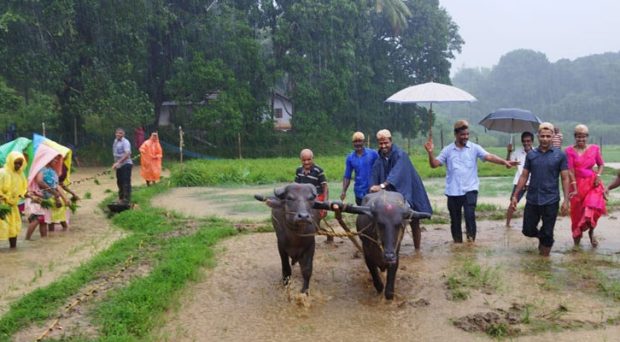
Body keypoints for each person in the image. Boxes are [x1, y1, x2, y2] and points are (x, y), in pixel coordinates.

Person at [424, 120, 517, 243]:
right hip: (453, 191)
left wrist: (504, 162)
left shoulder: (474, 148)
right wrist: (430, 153)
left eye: (467, 134)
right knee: (455, 220)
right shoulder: (447, 150)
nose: (465, 137)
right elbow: (434, 164)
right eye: (463, 134)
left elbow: (489, 156)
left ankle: (471, 243)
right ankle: (457, 244)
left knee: (470, 217)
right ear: (456, 135)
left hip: (470, 190)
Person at [511, 122, 570, 256]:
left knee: (548, 232)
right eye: (542, 136)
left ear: (552, 136)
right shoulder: (531, 155)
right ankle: (543, 237)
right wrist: (515, 195)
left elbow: (565, 178)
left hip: (551, 199)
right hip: (533, 199)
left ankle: (544, 262)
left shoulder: (559, 155)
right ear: (538, 136)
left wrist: (566, 200)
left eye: (548, 136)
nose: (545, 139)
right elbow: (524, 175)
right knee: (527, 230)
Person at [369, 129, 432, 250]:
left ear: (391, 141)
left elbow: (396, 174)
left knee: (413, 220)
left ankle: (417, 249)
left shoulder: (401, 155)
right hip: (389, 193)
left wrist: (382, 186)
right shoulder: (379, 159)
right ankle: (387, 247)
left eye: (386, 143)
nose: (383, 146)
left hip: (407, 189)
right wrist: (372, 188)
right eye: (380, 143)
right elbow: (374, 175)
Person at [565, 124, 606, 247]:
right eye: (578, 137)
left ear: (587, 137)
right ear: (575, 137)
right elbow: (570, 170)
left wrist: (598, 176)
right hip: (576, 185)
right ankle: (576, 243)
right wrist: (573, 185)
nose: (581, 139)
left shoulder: (595, 149)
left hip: (592, 184)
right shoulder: (569, 151)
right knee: (577, 214)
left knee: (592, 209)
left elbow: (601, 164)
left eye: (583, 137)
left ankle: (591, 233)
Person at [295, 149, 330, 241]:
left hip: (316, 197)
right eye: (304, 160)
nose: (306, 162)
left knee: (315, 222)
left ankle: (326, 234)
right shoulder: (299, 170)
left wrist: (325, 203)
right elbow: (296, 186)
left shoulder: (318, 170)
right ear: (300, 160)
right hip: (303, 198)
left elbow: (325, 187)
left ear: (313, 159)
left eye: (309, 159)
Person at [505, 132, 534, 227]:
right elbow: (508, 166)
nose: (526, 143)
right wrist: (509, 152)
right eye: (524, 141)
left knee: (535, 205)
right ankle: (507, 224)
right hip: (519, 182)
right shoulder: (517, 152)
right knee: (512, 204)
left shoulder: (536, 152)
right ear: (522, 142)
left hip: (533, 182)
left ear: (532, 142)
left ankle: (533, 224)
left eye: (528, 141)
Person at [341, 132, 379, 205]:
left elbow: (380, 168)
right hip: (359, 191)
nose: (358, 143)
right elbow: (347, 176)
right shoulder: (350, 158)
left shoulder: (373, 154)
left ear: (364, 142)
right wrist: (344, 191)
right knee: (362, 213)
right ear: (353, 143)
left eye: (360, 141)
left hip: (373, 191)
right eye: (355, 141)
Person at [0, 151, 28, 248]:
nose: (17, 165)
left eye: (20, 163)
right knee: (1, 226)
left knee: (14, 227)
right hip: (2, 204)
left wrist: (26, 194)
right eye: (15, 163)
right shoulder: (2, 172)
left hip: (13, 205)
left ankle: (13, 248)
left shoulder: (20, 174)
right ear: (10, 161)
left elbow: (23, 189)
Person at [112, 128, 133, 204]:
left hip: (126, 164)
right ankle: (121, 198)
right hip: (119, 165)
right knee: (119, 182)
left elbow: (127, 154)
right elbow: (116, 154)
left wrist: (118, 162)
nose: (118, 134)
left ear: (123, 134)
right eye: (117, 133)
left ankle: (126, 199)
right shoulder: (115, 141)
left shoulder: (125, 142)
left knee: (125, 182)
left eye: (120, 133)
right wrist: (115, 163)